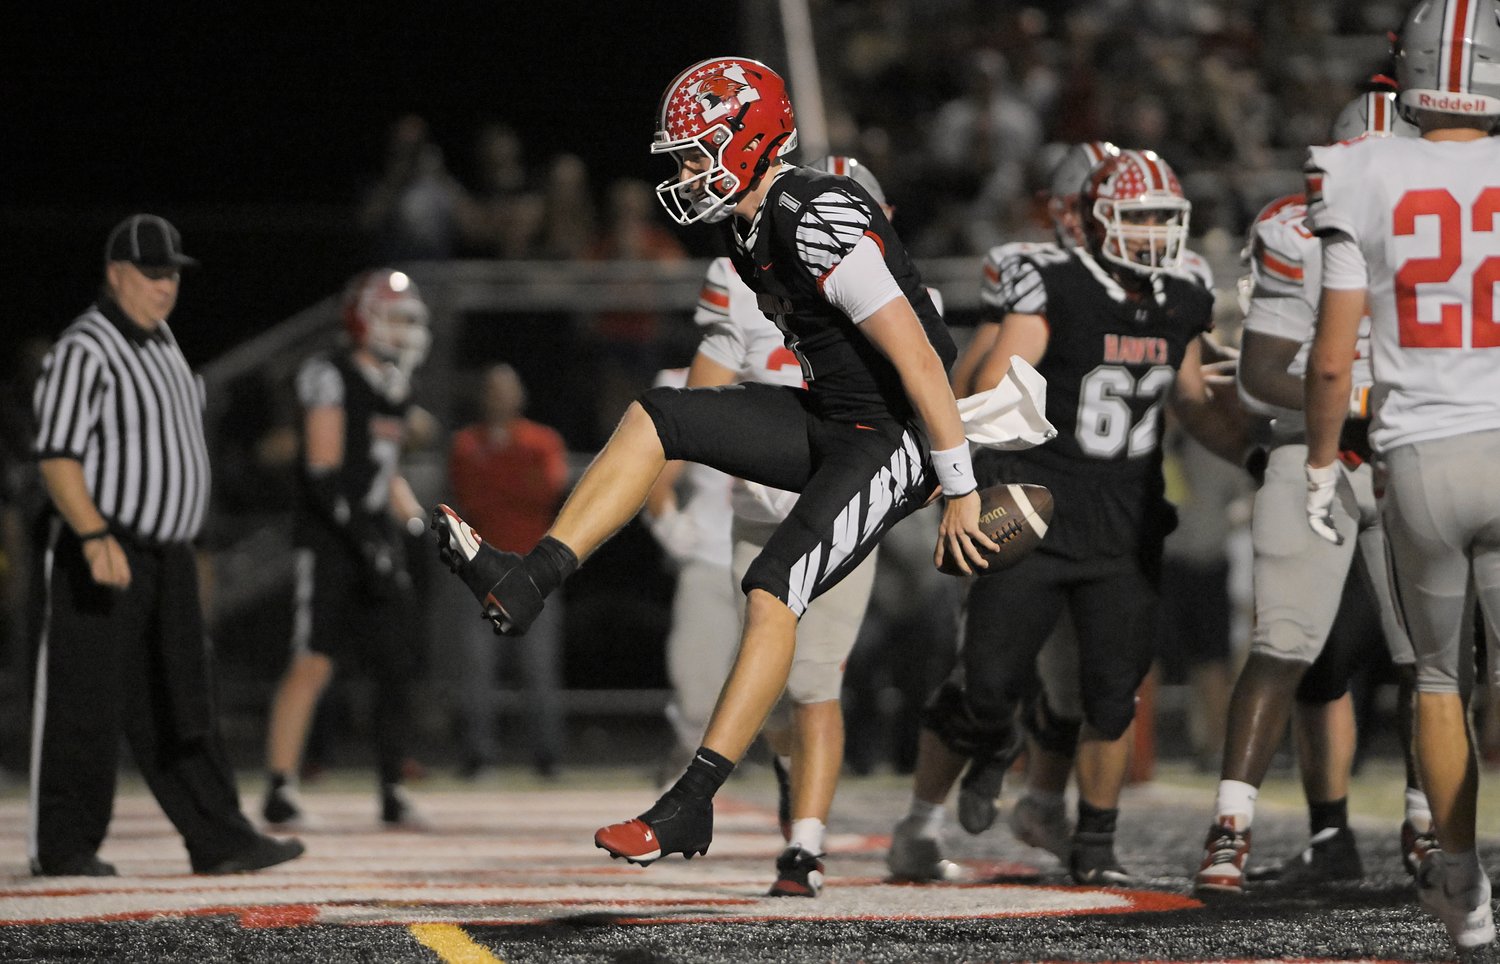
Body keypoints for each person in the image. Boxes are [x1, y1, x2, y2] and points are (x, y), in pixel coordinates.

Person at [433, 56, 1004, 869]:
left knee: (773, 589)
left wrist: (960, 489)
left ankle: (692, 802)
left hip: (896, 438)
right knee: (657, 414)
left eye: (701, 152)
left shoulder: (815, 214)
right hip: (833, 420)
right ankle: (526, 581)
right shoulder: (746, 223)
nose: (690, 172)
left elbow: (917, 360)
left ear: (753, 137)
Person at [888, 149, 1237, 886]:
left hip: (1125, 520)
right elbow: (986, 384)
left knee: (1112, 694)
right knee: (986, 686)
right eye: (1134, 216)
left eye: (1161, 220)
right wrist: (961, 480)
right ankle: (954, 789)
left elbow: (1194, 401)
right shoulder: (1048, 280)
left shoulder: (1180, 294)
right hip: (1036, 509)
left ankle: (1094, 843)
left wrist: (1268, 443)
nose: (1149, 233)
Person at [1193, 88, 1430, 898]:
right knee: (1282, 642)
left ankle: (1429, 828)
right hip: (1313, 446)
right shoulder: (1293, 229)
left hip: (1413, 455)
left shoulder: (1451, 223)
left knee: (1431, 660)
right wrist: (1364, 400)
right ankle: (1231, 829)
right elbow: (1260, 376)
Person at [1301, 1, 1500, 949]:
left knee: (1436, 676)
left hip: (1421, 450)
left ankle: (1460, 885)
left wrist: (1314, 457)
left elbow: (1335, 359)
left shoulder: (1363, 167)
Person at [645, 155, 894, 897]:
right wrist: (664, 494)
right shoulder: (746, 278)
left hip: (849, 506)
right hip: (762, 510)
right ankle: (790, 777)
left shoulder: (895, 291)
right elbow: (696, 408)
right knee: (781, 697)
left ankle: (805, 850)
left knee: (817, 681)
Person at [29, 214, 304, 876]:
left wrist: (192, 547)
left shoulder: (162, 342)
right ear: (116, 274)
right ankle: (66, 846)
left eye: (172, 273)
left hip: (169, 554)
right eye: (152, 274)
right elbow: (57, 454)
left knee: (184, 699)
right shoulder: (86, 348)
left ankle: (220, 837)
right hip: (109, 547)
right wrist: (93, 533)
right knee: (86, 702)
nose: (165, 286)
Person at [261, 268, 432, 829]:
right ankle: (280, 786)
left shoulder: (393, 383)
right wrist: (363, 537)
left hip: (374, 531)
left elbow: (384, 472)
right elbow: (324, 471)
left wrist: (417, 521)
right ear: (367, 318)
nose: (407, 331)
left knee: (395, 665)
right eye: (398, 318)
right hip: (331, 536)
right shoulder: (328, 373)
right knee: (313, 661)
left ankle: (391, 787)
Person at [447, 364, 567, 778]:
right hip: (484, 571)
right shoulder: (465, 443)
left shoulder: (542, 441)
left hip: (533, 571)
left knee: (539, 667)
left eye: (507, 389)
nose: (500, 397)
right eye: (493, 390)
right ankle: (478, 755)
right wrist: (515, 479)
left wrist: (500, 476)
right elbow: (471, 498)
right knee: (478, 668)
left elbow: (547, 492)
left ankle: (547, 756)